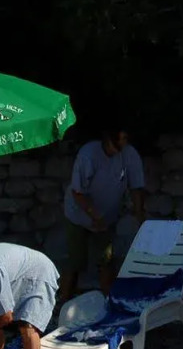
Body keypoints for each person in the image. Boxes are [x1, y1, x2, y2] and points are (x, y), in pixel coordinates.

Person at [61, 125, 147, 301]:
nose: (121, 146)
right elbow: (78, 192)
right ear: (107, 139)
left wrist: (140, 214)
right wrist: (95, 216)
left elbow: (136, 187)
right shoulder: (88, 155)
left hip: (107, 216)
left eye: (125, 140)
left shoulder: (129, 155)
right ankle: (63, 301)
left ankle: (109, 300)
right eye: (118, 141)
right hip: (79, 214)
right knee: (76, 260)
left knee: (106, 259)